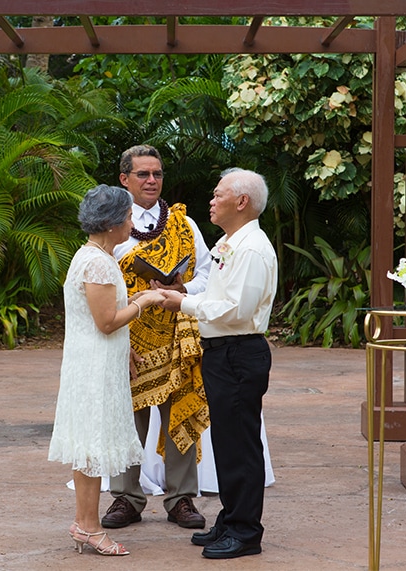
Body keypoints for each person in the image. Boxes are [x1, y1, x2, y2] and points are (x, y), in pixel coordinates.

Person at [160, 168, 278, 559]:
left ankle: (246, 532)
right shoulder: (230, 241)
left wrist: (184, 304)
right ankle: (231, 517)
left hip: (239, 351)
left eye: (217, 194)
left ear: (241, 201)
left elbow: (235, 309)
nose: (211, 201)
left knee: (241, 444)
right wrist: (186, 290)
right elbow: (216, 288)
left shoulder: (251, 248)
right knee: (227, 443)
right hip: (222, 351)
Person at [48, 184, 165, 557]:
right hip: (94, 367)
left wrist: (127, 343)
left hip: (96, 361)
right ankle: (90, 526)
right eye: (129, 217)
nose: (133, 223)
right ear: (113, 222)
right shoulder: (97, 261)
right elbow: (107, 321)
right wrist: (144, 301)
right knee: (92, 448)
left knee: (89, 449)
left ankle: (85, 524)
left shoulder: (96, 255)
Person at [102, 144, 212, 530]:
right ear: (124, 179)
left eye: (157, 174)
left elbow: (208, 275)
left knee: (178, 414)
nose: (152, 180)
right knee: (127, 423)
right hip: (128, 335)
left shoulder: (184, 224)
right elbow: (101, 282)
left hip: (177, 334)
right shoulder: (113, 225)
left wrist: (184, 288)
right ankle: (126, 499)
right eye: (143, 174)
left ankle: (181, 499)